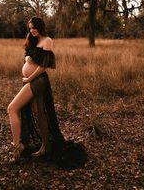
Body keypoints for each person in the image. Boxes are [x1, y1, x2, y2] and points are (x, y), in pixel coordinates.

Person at [7, 17, 87, 169]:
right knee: (39, 113)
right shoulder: (34, 40)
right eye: (30, 28)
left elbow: (43, 66)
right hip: (32, 81)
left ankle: (17, 147)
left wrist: (29, 77)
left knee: (12, 108)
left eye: (34, 27)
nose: (32, 30)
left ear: (40, 27)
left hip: (38, 81)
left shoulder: (47, 41)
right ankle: (45, 146)